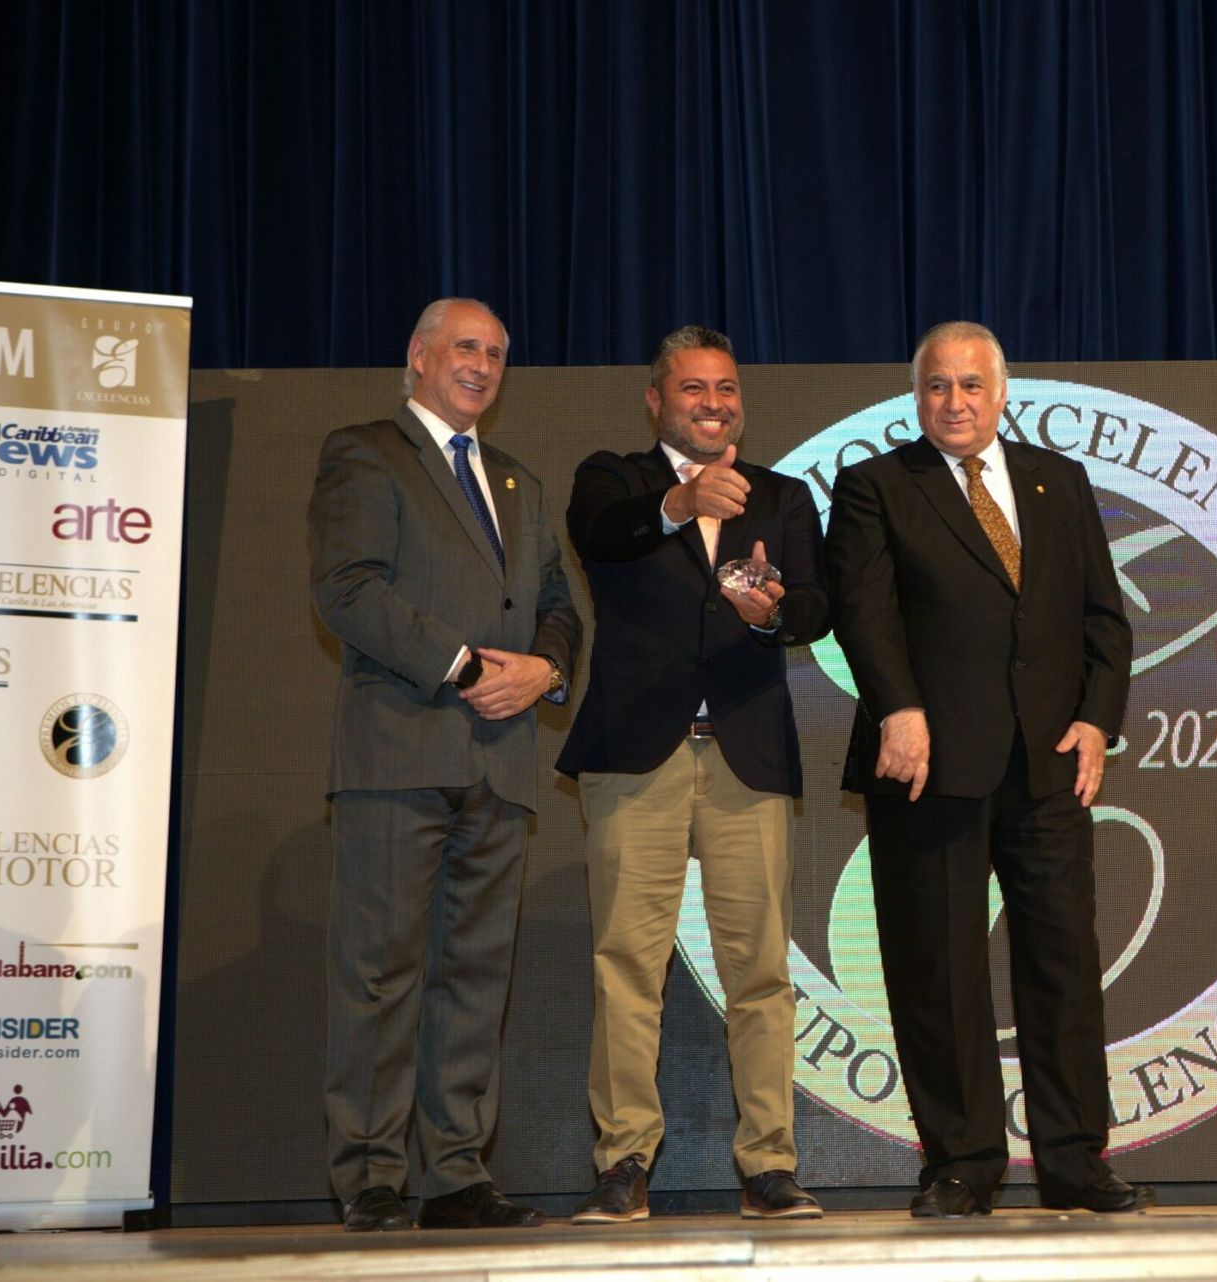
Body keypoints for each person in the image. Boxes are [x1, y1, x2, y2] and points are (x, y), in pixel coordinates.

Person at [824, 321, 1148, 1217]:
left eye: (971, 386)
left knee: (1063, 965)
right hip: (925, 763)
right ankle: (963, 1162)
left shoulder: (1059, 481)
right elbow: (864, 612)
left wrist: (1095, 720)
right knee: (939, 969)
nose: (955, 402)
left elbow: (1103, 620)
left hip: (1047, 768)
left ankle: (1075, 1162)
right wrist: (899, 708)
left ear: (1001, 393)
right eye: (937, 387)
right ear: (914, 395)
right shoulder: (875, 487)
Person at [309, 297, 581, 1232]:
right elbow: (346, 589)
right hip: (399, 751)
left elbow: (559, 605)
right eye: (466, 347)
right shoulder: (365, 451)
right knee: (379, 973)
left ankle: (457, 1174)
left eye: (498, 353)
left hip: (501, 765)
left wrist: (546, 670)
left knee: (474, 977)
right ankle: (372, 1176)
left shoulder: (517, 482)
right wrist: (463, 664)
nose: (482, 365)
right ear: (420, 355)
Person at [556, 325, 829, 1223]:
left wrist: (770, 612)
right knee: (627, 965)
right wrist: (680, 502)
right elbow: (602, 532)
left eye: (725, 389)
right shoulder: (617, 480)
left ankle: (769, 1166)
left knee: (761, 971)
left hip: (747, 754)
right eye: (693, 390)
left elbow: (816, 609)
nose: (713, 404)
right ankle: (623, 1161)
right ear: (657, 400)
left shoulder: (783, 496)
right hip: (639, 753)